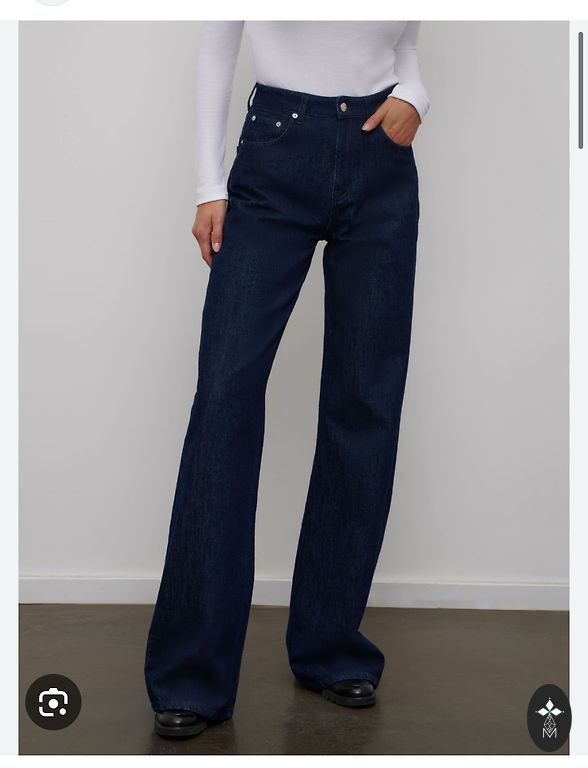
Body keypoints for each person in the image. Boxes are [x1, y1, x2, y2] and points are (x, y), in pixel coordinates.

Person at [144, 20, 430, 739]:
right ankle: (192, 673)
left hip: (382, 162)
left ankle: (330, 647)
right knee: (225, 397)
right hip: (277, 149)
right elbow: (218, 42)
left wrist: (416, 98)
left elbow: (403, 49)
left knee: (366, 401)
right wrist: (209, 184)